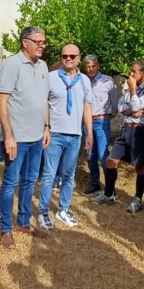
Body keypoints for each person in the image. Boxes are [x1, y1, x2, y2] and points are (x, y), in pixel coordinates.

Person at [0, 26, 50, 247]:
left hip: (37, 137)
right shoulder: (12, 65)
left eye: (43, 42)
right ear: (24, 42)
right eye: (37, 41)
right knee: (11, 182)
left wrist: (46, 127)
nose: (41, 45)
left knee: (29, 181)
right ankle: (5, 229)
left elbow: (44, 99)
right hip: (17, 138)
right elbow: (2, 102)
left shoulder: (43, 66)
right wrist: (9, 136)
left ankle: (23, 222)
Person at [38, 44, 93, 229]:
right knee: (49, 174)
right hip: (55, 134)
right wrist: (46, 127)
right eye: (65, 55)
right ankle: (43, 212)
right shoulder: (51, 77)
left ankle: (63, 209)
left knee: (69, 175)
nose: (68, 58)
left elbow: (87, 107)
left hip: (75, 136)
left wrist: (89, 133)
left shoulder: (84, 80)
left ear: (79, 58)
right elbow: (44, 103)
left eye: (72, 56)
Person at [91, 61, 144, 210]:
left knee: (139, 166)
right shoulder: (130, 89)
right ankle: (109, 194)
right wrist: (131, 110)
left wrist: (133, 91)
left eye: (134, 71)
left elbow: (135, 105)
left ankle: (138, 198)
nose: (131, 74)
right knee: (111, 160)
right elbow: (121, 105)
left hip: (139, 131)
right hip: (125, 129)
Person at [81, 54, 118, 195]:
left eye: (93, 66)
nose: (90, 69)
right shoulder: (82, 81)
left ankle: (110, 188)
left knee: (103, 156)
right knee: (90, 155)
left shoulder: (108, 81)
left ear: (98, 66)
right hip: (86, 122)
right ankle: (95, 184)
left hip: (102, 121)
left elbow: (115, 105)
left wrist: (106, 116)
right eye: (88, 67)